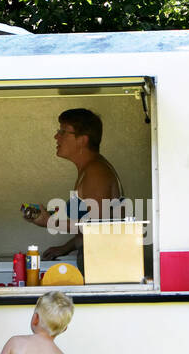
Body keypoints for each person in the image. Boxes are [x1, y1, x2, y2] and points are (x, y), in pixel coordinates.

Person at [22, 108, 125, 264]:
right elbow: (90, 227)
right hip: (99, 264)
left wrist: (51, 222)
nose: (56, 136)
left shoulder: (95, 172)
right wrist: (65, 248)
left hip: (104, 268)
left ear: (83, 140)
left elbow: (97, 227)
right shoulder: (90, 169)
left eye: (62, 132)